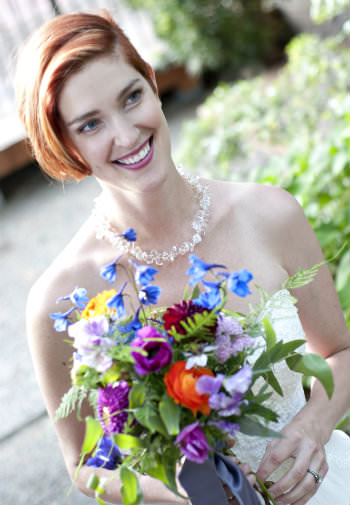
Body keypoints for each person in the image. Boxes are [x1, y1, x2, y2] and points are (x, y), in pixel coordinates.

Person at [16, 9, 349, 505]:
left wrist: (313, 427)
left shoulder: (268, 212)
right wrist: (182, 492)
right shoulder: (57, 299)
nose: (127, 135)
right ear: (66, 144)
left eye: (131, 98)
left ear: (152, 82)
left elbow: (341, 353)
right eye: (90, 125)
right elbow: (85, 464)